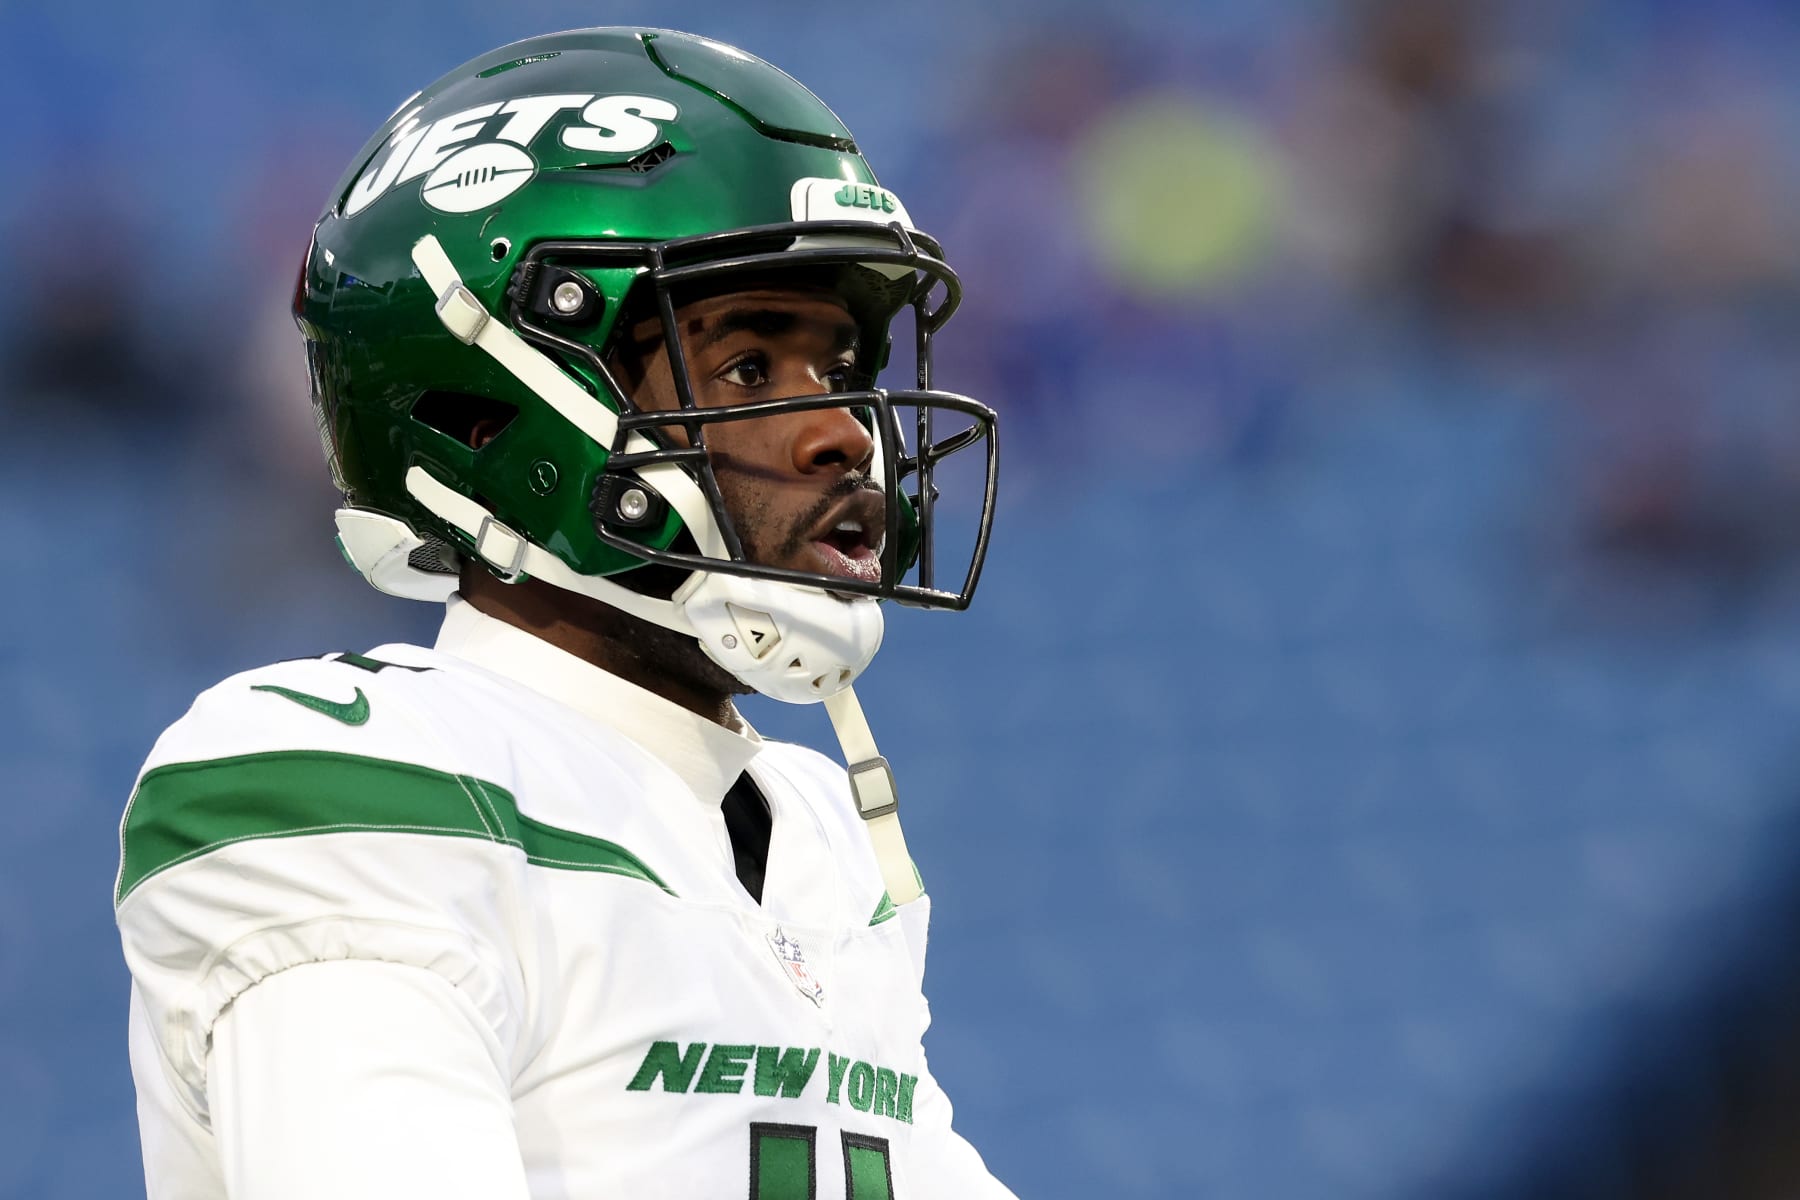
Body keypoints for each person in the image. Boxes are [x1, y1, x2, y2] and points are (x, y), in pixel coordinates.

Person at [114, 28, 1012, 1200]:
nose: (845, 428)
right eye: (747, 367)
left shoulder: (814, 839)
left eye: (842, 364)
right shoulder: (356, 778)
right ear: (489, 413)